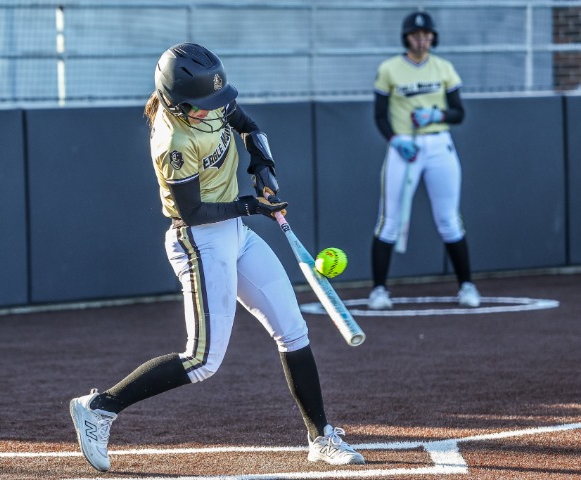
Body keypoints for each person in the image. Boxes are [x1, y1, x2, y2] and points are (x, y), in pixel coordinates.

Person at [69, 43, 365, 472]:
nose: (213, 108)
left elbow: (249, 126)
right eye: (203, 104)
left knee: (293, 331)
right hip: (199, 241)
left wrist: (262, 167)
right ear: (176, 100)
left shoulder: (208, 100)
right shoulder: (173, 140)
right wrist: (251, 205)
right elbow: (192, 211)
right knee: (202, 360)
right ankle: (99, 408)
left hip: (236, 234)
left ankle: (321, 436)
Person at [367, 11, 481, 310]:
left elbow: (458, 113)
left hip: (439, 145)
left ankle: (467, 285)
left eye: (426, 35)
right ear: (407, 38)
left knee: (449, 219)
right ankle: (379, 290)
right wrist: (395, 140)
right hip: (404, 147)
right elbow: (379, 115)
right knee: (389, 221)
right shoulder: (389, 69)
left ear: (433, 37)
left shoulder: (444, 68)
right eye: (416, 35)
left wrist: (436, 114)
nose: (421, 40)